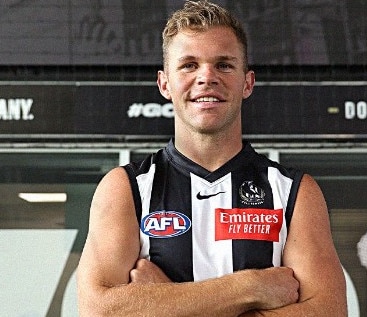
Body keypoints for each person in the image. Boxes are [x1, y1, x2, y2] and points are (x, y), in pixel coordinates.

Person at [77, 1, 347, 316]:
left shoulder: (295, 193)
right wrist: (250, 288)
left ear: (247, 82)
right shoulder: (126, 189)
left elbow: (329, 311)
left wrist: (164, 300)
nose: (207, 77)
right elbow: (99, 310)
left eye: (224, 65)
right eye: (189, 65)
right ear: (165, 83)